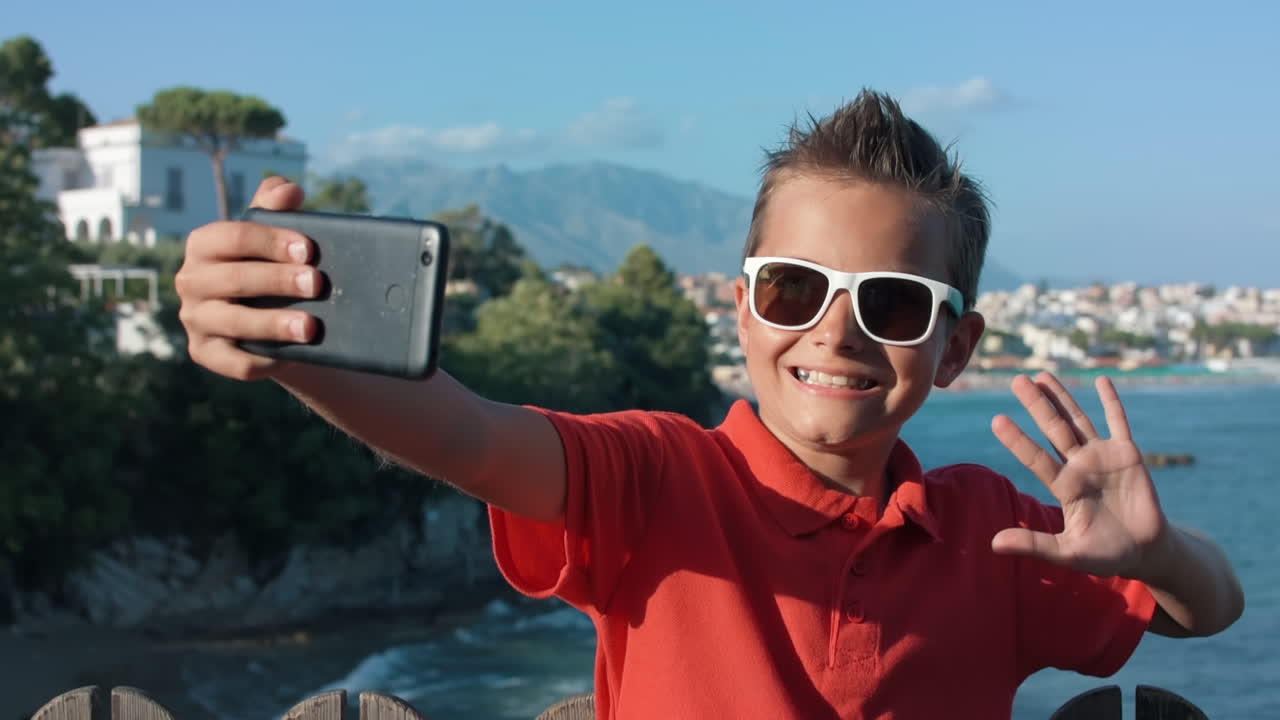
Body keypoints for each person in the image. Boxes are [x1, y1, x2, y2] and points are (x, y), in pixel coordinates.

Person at [175, 90, 1244, 719]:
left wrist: (1156, 554)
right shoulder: (654, 478)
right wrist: (297, 352)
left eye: (891, 302)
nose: (835, 332)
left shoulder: (995, 536)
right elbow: (468, 438)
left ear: (954, 347)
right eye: (793, 289)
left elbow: (1208, 607)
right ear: (741, 309)